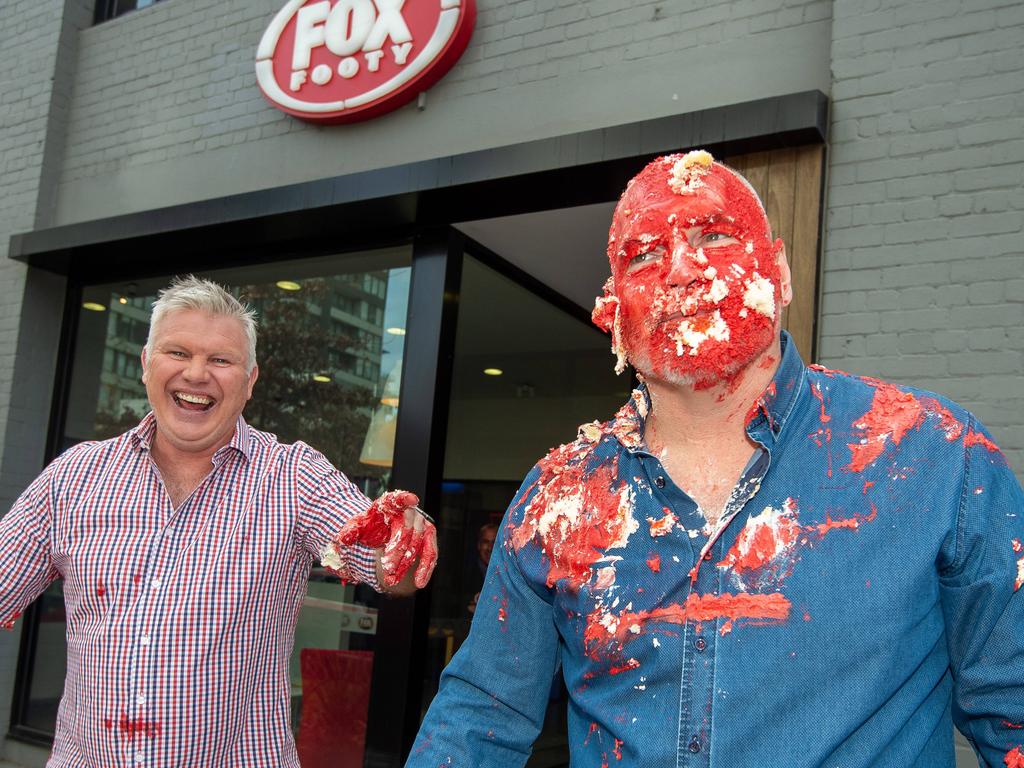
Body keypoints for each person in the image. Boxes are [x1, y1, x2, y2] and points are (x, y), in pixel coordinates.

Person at [407, 151, 1024, 767]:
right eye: (643, 255)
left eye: (715, 236)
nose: (680, 269)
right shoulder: (558, 498)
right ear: (614, 309)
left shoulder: (933, 456)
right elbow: (481, 716)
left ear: (779, 272)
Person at [0, 276, 437, 767]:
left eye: (221, 360)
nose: (196, 374)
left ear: (249, 381)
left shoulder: (293, 477)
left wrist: (405, 536)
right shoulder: (74, 476)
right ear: (146, 365)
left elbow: (387, 568)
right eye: (178, 352)